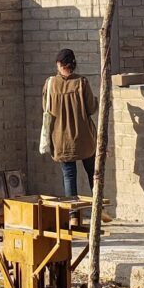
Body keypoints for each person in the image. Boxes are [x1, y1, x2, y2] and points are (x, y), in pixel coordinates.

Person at [43, 48, 99, 200]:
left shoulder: (50, 84)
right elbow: (92, 108)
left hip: (61, 140)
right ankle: (97, 207)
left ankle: (73, 216)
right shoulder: (82, 83)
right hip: (84, 138)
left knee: (69, 176)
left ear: (59, 64)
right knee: (93, 172)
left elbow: (45, 108)